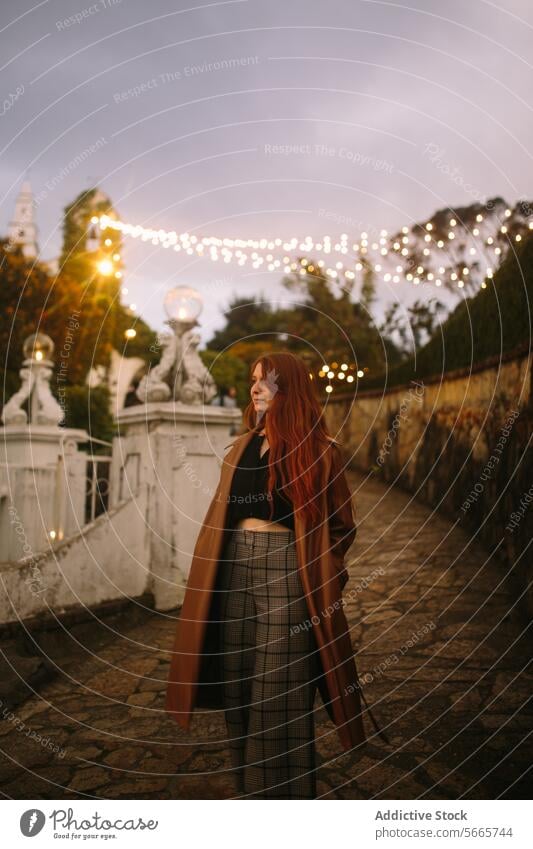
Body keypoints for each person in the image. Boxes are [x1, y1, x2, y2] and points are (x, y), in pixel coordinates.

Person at [166, 351, 388, 799]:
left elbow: (342, 525)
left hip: (288, 573)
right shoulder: (240, 448)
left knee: (279, 694)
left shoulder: (320, 453)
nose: (256, 388)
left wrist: (323, 572)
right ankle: (251, 794)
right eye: (254, 380)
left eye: (268, 381)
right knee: (238, 683)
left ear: (291, 389)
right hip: (233, 573)